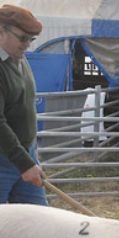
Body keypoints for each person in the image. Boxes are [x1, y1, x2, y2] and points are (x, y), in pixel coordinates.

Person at [0, 4, 47, 205]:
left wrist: (30, 153)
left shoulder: (19, 58)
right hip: (4, 159)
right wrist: (24, 163)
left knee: (39, 221)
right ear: (1, 31)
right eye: (23, 38)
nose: (27, 44)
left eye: (31, 39)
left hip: (24, 153)